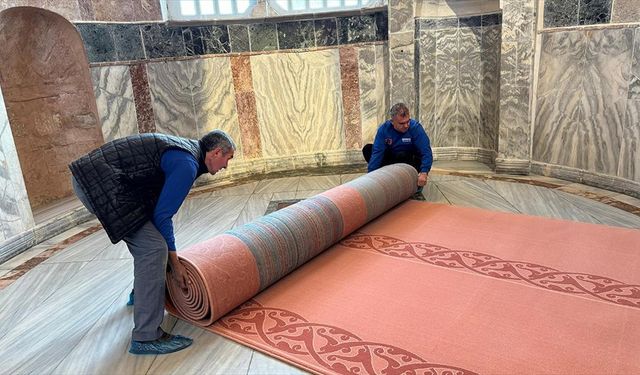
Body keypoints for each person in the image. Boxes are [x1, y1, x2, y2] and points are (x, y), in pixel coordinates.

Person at [69, 130, 235, 355]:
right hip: (98, 183)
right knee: (153, 248)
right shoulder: (187, 163)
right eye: (228, 158)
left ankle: (140, 295)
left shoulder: (188, 154)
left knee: (151, 241)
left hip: (98, 178)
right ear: (216, 152)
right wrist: (175, 266)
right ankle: (146, 337)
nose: (226, 165)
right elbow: (163, 216)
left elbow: (158, 209)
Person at [363, 103, 433, 195]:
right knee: (368, 149)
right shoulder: (384, 130)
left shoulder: (416, 128)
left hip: (411, 161)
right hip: (394, 159)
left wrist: (424, 172)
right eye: (402, 123)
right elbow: (377, 153)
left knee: (403, 155)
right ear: (392, 122)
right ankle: (387, 177)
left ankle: (410, 180)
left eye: (408, 121)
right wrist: (370, 177)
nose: (406, 125)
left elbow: (426, 152)